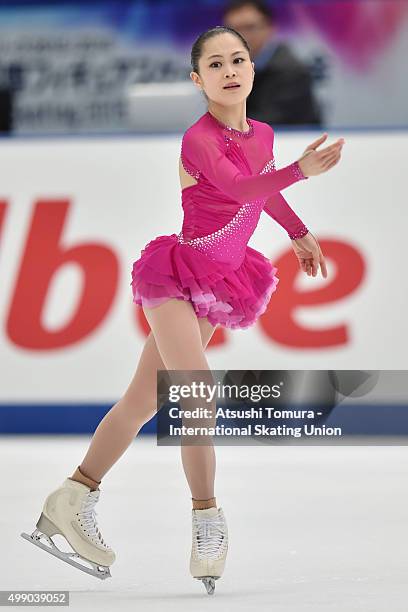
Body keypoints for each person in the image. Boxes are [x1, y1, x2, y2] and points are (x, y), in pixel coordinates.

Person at [21, 25, 344, 596]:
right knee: (197, 392)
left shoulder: (262, 132)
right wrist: (300, 170)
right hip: (176, 274)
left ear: (251, 67)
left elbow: (263, 192)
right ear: (198, 80)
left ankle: (72, 495)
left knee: (143, 399)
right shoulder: (198, 138)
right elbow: (241, 189)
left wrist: (298, 231)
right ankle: (207, 519)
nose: (229, 70)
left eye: (238, 59)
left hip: (222, 280)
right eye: (215, 64)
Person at [223, 0, 322, 125]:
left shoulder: (291, 71)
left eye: (250, 27)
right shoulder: (229, 69)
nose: (242, 36)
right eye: (234, 30)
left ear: (270, 28)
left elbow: (273, 122)